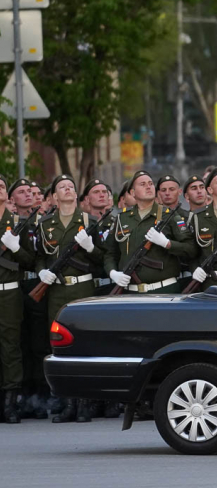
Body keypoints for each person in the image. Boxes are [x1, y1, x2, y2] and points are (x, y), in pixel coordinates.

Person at [35, 175, 102, 423]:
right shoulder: (45, 224)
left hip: (82, 290)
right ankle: (68, 403)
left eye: (71, 187)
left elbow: (102, 260)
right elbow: (41, 255)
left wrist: (90, 248)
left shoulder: (89, 221)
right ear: (53, 196)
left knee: (85, 346)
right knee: (61, 349)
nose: (68, 189)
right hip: (56, 291)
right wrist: (43, 270)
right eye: (62, 187)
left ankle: (85, 403)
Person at [103, 170, 196, 294]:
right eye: (142, 184)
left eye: (150, 183)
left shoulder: (169, 215)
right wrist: (113, 273)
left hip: (164, 290)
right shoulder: (121, 219)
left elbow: (191, 248)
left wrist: (167, 243)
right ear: (132, 192)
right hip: (131, 292)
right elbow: (109, 253)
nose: (148, 186)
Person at [0, 174, 36, 423]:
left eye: (2, 186)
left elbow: (30, 261)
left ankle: (10, 402)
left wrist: (14, 248)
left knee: (10, 346)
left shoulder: (18, 222)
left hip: (8, 291)